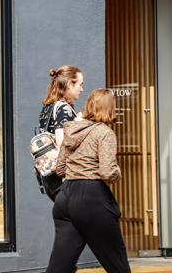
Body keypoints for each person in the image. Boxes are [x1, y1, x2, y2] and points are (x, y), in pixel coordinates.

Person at [46, 89, 130, 273]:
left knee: (59, 267)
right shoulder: (104, 133)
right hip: (91, 199)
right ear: (109, 109)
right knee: (117, 263)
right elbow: (107, 172)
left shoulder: (71, 130)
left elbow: (60, 169)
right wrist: (117, 172)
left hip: (65, 197)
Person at [37, 65, 84, 201]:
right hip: (62, 178)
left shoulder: (48, 107)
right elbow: (62, 143)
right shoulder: (64, 108)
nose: (82, 89)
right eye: (80, 84)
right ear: (70, 84)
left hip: (48, 176)